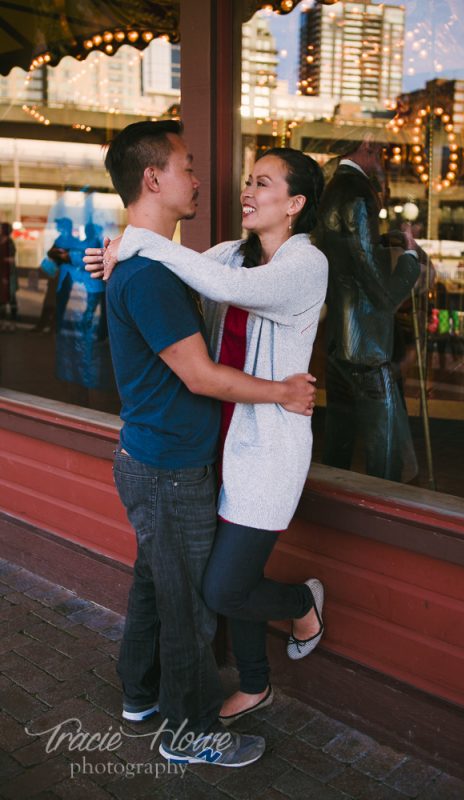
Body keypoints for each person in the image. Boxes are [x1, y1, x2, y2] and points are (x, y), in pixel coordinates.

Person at [90, 120, 319, 768]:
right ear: (153, 178)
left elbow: (223, 285)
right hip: (167, 468)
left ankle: (138, 695)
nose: (200, 179)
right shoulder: (151, 274)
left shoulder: (153, 262)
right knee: (187, 605)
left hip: (152, 457)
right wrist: (281, 392)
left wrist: (124, 249)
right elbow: (199, 375)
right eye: (188, 167)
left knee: (152, 585)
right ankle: (189, 733)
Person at [313, 136, 420, 483]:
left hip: (337, 340)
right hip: (366, 345)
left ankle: (335, 509)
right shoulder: (358, 194)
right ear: (365, 146)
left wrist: (381, 240)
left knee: (338, 440)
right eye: (380, 149)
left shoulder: (331, 190)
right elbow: (380, 291)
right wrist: (410, 260)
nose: (383, 156)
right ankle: (383, 511)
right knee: (383, 447)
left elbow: (348, 256)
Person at [0, 222, 17, 332]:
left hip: (8, 273)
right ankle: (2, 322)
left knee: (11, 298)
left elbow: (11, 259)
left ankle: (12, 323)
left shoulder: (9, 243)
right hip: (1, 273)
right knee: (1, 300)